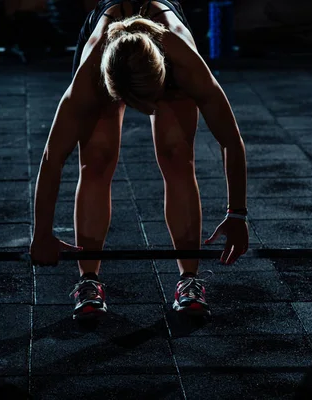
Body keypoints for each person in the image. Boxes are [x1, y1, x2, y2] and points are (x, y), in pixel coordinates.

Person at [29, 0, 249, 320]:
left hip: (163, 55)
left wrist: (238, 215)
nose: (144, 110)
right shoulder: (91, 73)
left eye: (148, 100)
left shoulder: (185, 63)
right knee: (96, 161)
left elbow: (231, 140)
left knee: (177, 157)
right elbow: (52, 158)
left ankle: (189, 280)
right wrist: (42, 233)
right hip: (109, 53)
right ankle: (88, 281)